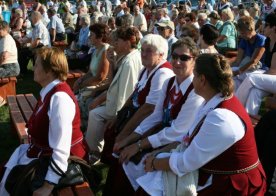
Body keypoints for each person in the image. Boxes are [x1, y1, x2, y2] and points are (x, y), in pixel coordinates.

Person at [136, 53, 266, 195]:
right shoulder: (213, 101)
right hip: (215, 172)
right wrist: (158, 153)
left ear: (202, 80)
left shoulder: (222, 117)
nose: (192, 79)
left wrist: (155, 163)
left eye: (195, 75)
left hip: (233, 185)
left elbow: (187, 162)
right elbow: (188, 138)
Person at [111, 38, 204, 195]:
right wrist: (129, 138)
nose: (178, 62)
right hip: (162, 135)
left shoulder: (195, 91)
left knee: (138, 162)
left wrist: (139, 145)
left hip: (180, 143)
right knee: (123, 154)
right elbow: (156, 116)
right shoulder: (169, 83)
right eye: (174, 56)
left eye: (184, 58)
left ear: (194, 61)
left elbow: (177, 131)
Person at [0, 47, 89, 195]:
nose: (33, 67)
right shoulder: (50, 91)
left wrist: (48, 186)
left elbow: (61, 150)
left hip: (62, 162)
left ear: (50, 70)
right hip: (41, 151)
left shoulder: (60, 99)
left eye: (37, 64)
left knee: (12, 182)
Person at [85, 27, 143, 162]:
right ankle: (93, 149)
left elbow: (126, 92)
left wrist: (116, 117)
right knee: (94, 112)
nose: (114, 44)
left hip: (120, 108)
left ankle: (93, 152)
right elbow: (113, 83)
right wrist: (111, 63)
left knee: (95, 114)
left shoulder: (129, 62)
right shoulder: (127, 57)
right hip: (115, 102)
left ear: (128, 43)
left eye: (117, 41)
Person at [235, 13, 276, 116]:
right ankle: (246, 118)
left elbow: (273, 70)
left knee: (251, 78)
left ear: (273, 27)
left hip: (273, 75)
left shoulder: (267, 41)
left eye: (266, 25)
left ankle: (234, 109)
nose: (262, 27)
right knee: (254, 92)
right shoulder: (268, 41)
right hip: (269, 76)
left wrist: (257, 75)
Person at [73, 23, 110, 129]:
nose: (89, 37)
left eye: (92, 35)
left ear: (100, 37)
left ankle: (82, 127)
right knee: (73, 96)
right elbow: (90, 72)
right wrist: (79, 80)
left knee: (77, 101)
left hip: (99, 86)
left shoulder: (106, 51)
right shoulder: (96, 49)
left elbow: (100, 77)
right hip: (91, 82)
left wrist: (81, 85)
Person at [232, 16, 266, 90]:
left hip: (261, 69)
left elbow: (253, 61)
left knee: (238, 75)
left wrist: (237, 72)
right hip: (248, 68)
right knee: (231, 74)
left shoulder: (261, 40)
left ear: (250, 29)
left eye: (243, 33)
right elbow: (238, 61)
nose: (241, 35)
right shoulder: (244, 40)